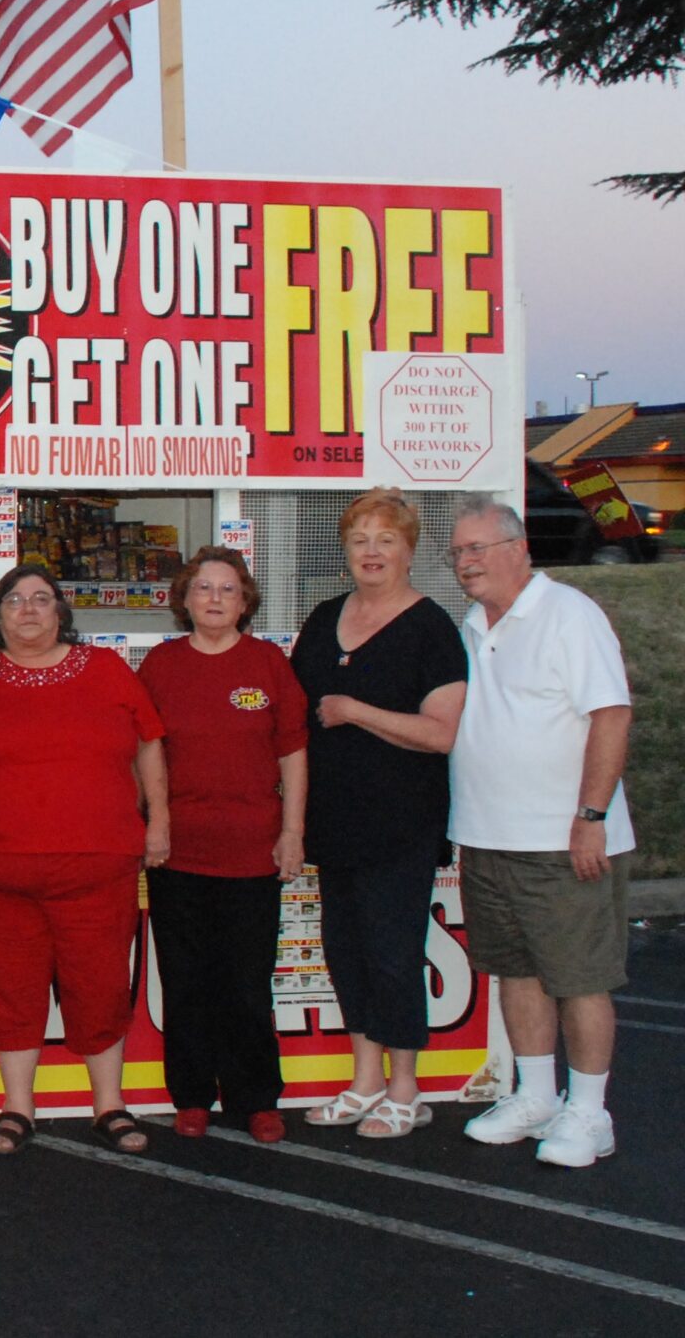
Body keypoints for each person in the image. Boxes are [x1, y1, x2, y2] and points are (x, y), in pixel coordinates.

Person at [446, 503, 634, 1168]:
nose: (465, 561)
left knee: (580, 978)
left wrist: (590, 817)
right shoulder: (471, 625)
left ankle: (590, 1112)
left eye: (477, 548)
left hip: (563, 840)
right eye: (457, 552)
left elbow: (611, 715)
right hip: (487, 835)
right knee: (516, 971)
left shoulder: (569, 615)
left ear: (518, 547)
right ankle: (538, 1095)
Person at [0, 567, 168, 1158]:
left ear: (61, 614)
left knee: (100, 985)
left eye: (41, 600)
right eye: (15, 601)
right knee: (6, 988)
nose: (28, 610)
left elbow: (149, 741)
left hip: (99, 867)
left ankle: (109, 1105)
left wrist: (161, 820)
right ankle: (18, 1107)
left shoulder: (105, 669)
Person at [289, 489, 465, 1140]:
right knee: (347, 952)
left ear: (409, 551)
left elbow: (441, 732)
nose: (371, 551)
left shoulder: (431, 627)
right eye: (360, 539)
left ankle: (405, 1087)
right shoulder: (326, 615)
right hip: (333, 823)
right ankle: (365, 1078)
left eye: (385, 540)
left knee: (394, 954)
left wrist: (356, 710)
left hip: (402, 823)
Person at [136, 547, 308, 1145]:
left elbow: (292, 751)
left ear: (245, 601)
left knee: (245, 984)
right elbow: (147, 749)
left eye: (227, 589)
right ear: (184, 600)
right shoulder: (160, 665)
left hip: (252, 853)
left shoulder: (268, 664)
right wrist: (155, 824)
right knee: (185, 981)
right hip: (177, 853)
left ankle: (255, 1097)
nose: (214, 598)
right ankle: (191, 1096)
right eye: (203, 588)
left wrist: (291, 832)